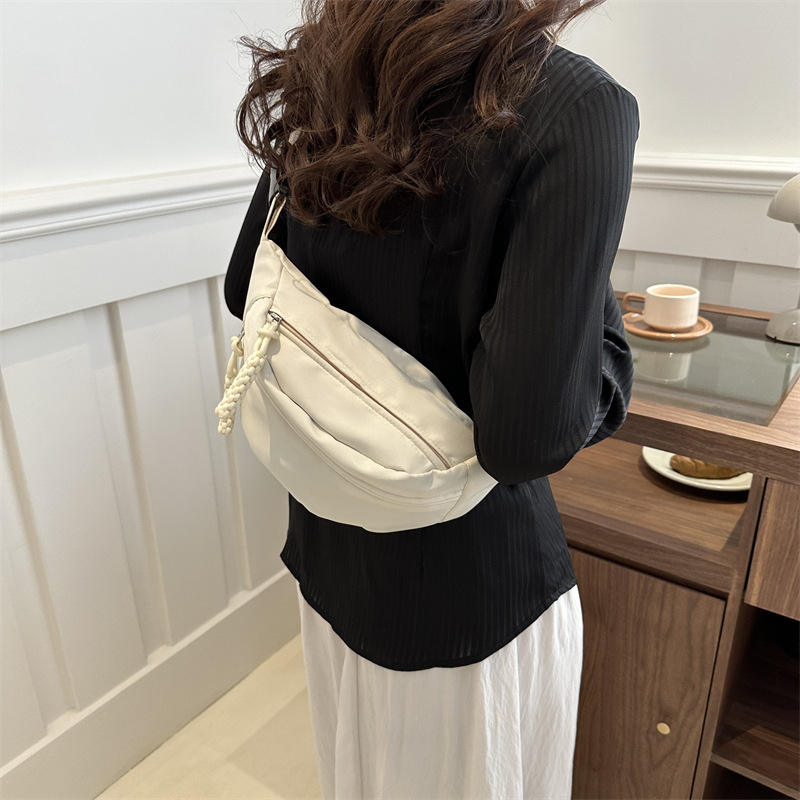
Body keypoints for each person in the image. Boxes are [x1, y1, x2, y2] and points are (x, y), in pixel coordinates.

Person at [224, 1, 638, 797]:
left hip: (332, 555)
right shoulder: (577, 105)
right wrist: (607, 344)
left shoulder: (328, 66)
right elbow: (524, 440)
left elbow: (248, 284)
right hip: (470, 601)